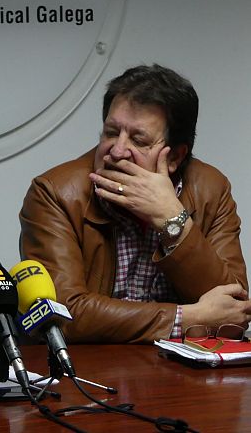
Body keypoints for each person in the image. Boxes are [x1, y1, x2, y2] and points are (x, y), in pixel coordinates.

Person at [20, 64, 251, 343]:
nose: (117, 151)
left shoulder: (211, 190)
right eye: (111, 132)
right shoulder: (55, 193)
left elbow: (234, 311)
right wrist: (186, 319)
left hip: (182, 365)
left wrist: (173, 221)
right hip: (92, 365)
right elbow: (62, 316)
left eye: (138, 140)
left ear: (175, 156)